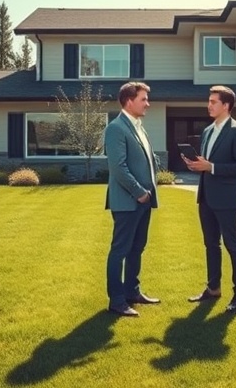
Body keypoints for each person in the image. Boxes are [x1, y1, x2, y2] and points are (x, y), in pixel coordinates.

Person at [182, 85, 236, 312]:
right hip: (206, 197)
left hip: (227, 199)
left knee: (233, 245)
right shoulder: (208, 131)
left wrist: (210, 167)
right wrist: (197, 165)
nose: (208, 105)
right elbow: (207, 164)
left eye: (213, 102)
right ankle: (213, 289)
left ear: (226, 105)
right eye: (209, 101)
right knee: (210, 244)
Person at [104, 81, 161, 317]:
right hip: (128, 201)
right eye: (143, 99)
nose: (148, 103)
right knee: (120, 250)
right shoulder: (116, 128)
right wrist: (139, 192)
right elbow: (118, 167)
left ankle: (132, 292)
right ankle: (117, 301)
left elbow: (145, 159)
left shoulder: (139, 126)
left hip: (144, 200)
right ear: (129, 101)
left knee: (138, 247)